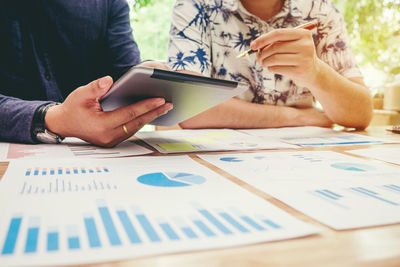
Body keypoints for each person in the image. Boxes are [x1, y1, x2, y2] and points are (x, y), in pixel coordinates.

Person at [167, 0, 372, 129]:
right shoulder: (195, 5)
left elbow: (361, 114)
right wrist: (298, 117)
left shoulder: (320, 10)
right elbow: (189, 108)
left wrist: (316, 72)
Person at [0, 0, 173, 147]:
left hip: (94, 157)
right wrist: (54, 118)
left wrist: (146, 77)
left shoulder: (109, 4)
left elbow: (126, 73)